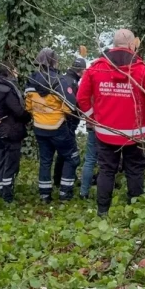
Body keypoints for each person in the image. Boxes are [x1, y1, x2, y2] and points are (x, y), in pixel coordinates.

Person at [77, 29, 145, 216]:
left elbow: (82, 98)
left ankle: (102, 211)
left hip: (106, 131)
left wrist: (93, 118)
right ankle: (135, 210)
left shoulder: (96, 67)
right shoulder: (141, 69)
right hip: (135, 132)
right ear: (132, 45)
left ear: (114, 45)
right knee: (135, 170)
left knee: (107, 170)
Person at [25, 48, 81, 202]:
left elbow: (28, 106)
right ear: (54, 61)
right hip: (58, 127)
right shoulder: (60, 81)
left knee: (45, 161)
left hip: (39, 127)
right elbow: (70, 106)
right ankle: (65, 194)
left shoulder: (30, 81)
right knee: (72, 158)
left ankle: (44, 195)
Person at [0, 62, 30, 202]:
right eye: (15, 70)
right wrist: (29, 116)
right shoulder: (8, 90)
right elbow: (18, 111)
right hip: (11, 130)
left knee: (2, 161)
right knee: (11, 164)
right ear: (9, 72)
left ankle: (1, 189)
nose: (17, 73)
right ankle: (7, 195)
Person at [53, 57, 86, 190]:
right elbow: (73, 105)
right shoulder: (72, 83)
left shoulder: (62, 79)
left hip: (60, 122)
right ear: (82, 71)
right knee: (70, 155)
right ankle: (65, 183)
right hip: (68, 123)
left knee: (62, 153)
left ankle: (57, 178)